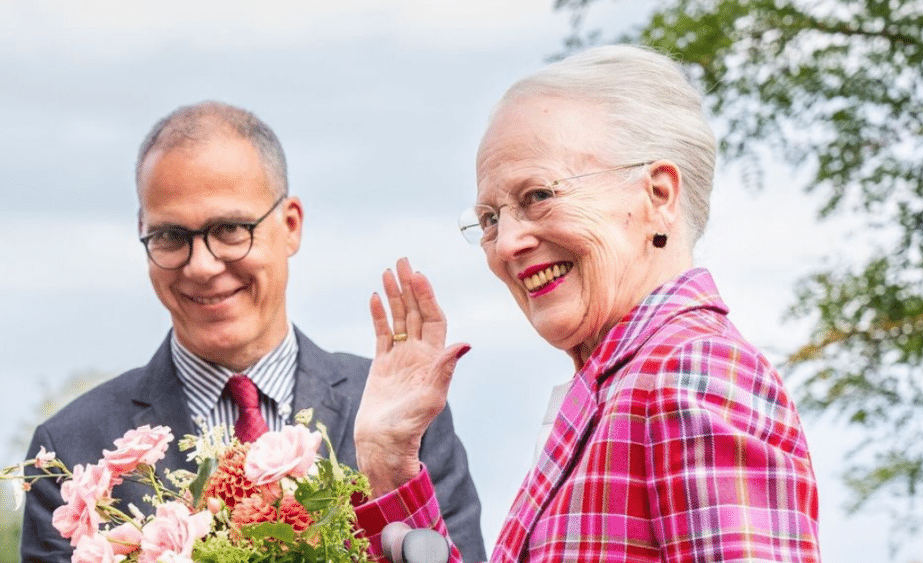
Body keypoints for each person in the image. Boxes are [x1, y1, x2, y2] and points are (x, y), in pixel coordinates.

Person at [350, 45, 821, 562]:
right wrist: (390, 460)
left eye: (538, 196)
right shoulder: (613, 387)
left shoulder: (696, 370)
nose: (507, 243)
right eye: (489, 219)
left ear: (658, 195)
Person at [20, 101, 486, 563]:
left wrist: (389, 468)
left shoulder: (401, 421)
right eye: (171, 237)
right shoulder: (72, 449)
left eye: (229, 230)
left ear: (290, 226)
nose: (201, 266)